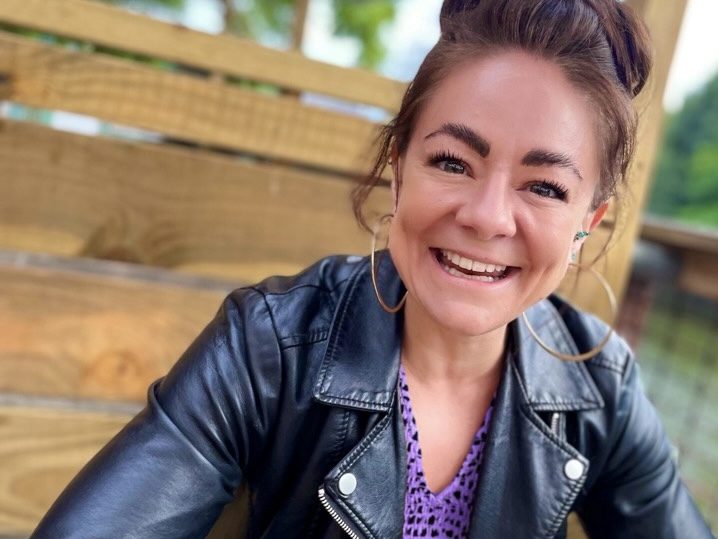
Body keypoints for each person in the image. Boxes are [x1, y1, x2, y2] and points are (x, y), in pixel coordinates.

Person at [32, 1, 714, 538]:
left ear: (588, 221)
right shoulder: (270, 347)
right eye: (453, 162)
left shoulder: (601, 387)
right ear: (400, 169)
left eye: (544, 186)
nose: (487, 217)